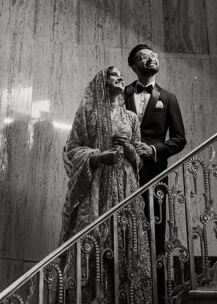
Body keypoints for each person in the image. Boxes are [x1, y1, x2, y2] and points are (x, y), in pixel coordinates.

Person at [59, 66, 147, 243]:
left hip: (125, 184)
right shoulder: (89, 113)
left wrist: (128, 148)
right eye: (114, 75)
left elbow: (139, 162)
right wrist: (98, 158)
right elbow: (72, 150)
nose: (121, 78)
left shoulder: (132, 118)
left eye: (122, 75)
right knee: (95, 237)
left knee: (124, 236)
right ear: (103, 81)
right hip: (96, 184)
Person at [124, 45, 187, 289]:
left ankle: (156, 293)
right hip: (122, 171)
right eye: (144, 56)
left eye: (154, 56)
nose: (151, 59)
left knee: (154, 230)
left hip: (154, 174)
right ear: (133, 65)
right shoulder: (122, 93)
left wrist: (153, 150)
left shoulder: (169, 98)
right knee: (123, 227)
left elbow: (179, 139)